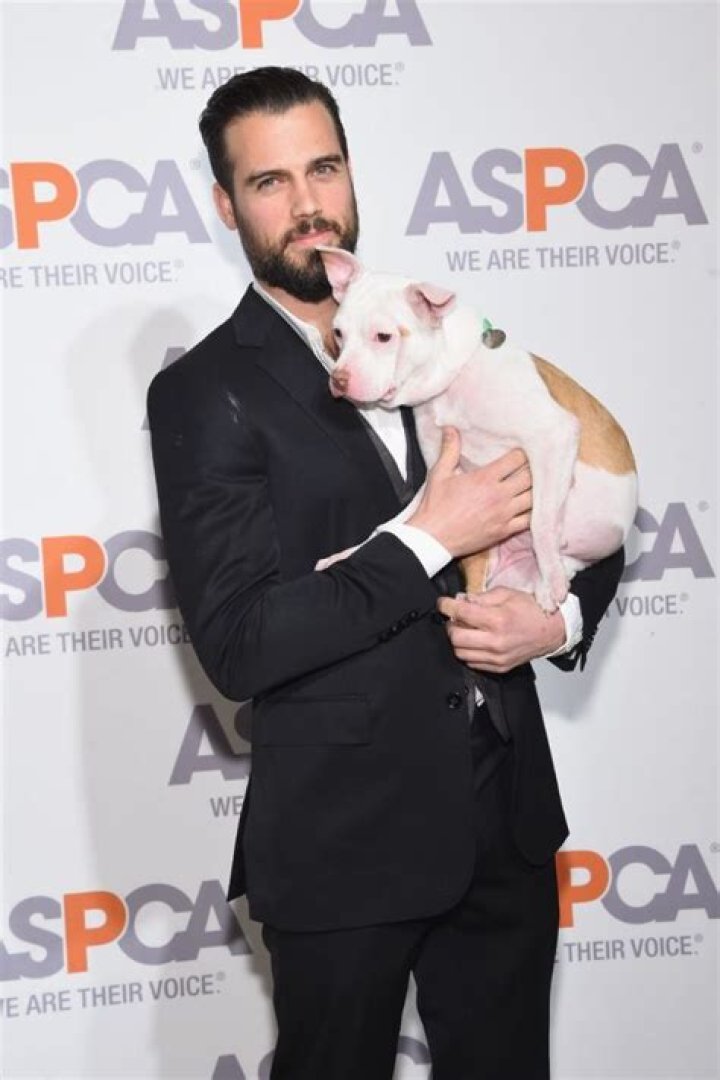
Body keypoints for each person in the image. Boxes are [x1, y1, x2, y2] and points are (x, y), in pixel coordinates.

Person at [148, 67, 624, 1080]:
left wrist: (559, 623)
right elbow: (239, 643)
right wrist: (426, 541)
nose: (307, 203)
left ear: (352, 171)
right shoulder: (206, 390)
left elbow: (588, 500)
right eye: (270, 181)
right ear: (226, 205)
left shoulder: (440, 330)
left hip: (504, 818)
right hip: (344, 839)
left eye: (323, 168)